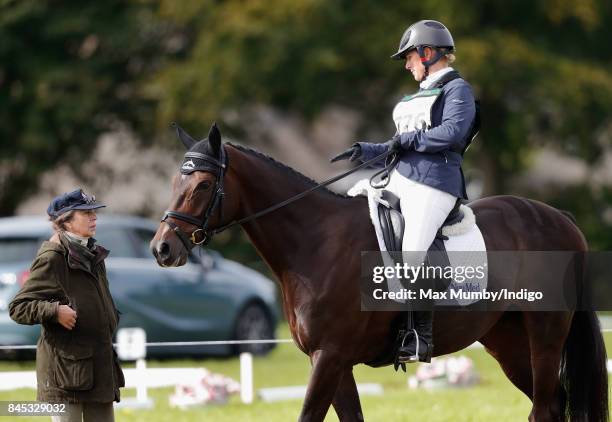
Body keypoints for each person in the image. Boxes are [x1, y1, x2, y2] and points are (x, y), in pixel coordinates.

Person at [332, 20, 479, 363]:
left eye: (410, 58)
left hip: (437, 183)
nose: (408, 65)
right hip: (401, 177)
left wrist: (405, 141)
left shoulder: (457, 91)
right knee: (351, 204)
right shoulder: (419, 96)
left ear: (428, 53)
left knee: (413, 252)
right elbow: (400, 145)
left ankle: (419, 336)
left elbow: (452, 133)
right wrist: (366, 150)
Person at [9, 189, 124, 422]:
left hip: (99, 368)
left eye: (94, 212)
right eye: (86, 213)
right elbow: (18, 307)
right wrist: (54, 311)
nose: (94, 218)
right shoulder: (52, 257)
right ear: (66, 222)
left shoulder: (93, 253)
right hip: (64, 374)